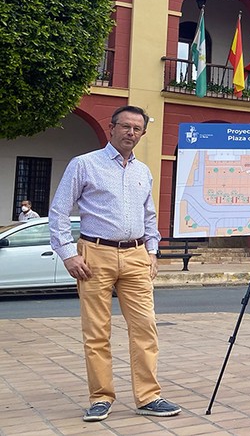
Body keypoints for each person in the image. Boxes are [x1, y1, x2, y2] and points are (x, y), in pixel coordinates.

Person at [49, 106, 181, 422]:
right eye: (125, 126)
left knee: (145, 327)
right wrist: (68, 253)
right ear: (112, 127)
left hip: (136, 256)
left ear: (142, 133)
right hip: (95, 255)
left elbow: (150, 215)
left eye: (137, 128)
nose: (131, 133)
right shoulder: (84, 165)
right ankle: (100, 397)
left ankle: (149, 396)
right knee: (96, 331)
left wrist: (152, 251)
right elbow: (59, 211)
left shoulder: (143, 172)